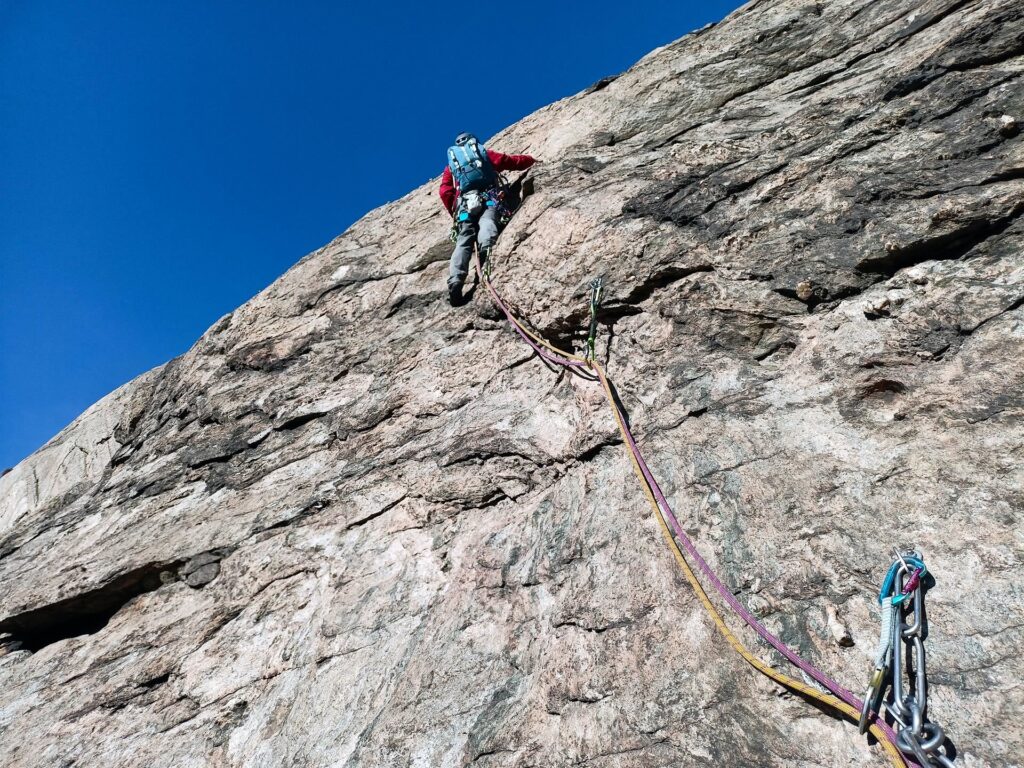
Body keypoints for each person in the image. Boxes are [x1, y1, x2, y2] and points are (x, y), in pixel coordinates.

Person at [439, 133, 535, 305]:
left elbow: (445, 191)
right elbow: (510, 161)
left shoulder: (452, 168)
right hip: (489, 197)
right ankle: (487, 250)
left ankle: (455, 279)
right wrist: (531, 160)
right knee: (487, 221)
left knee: (464, 240)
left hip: (464, 206)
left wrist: (454, 210)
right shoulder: (483, 154)